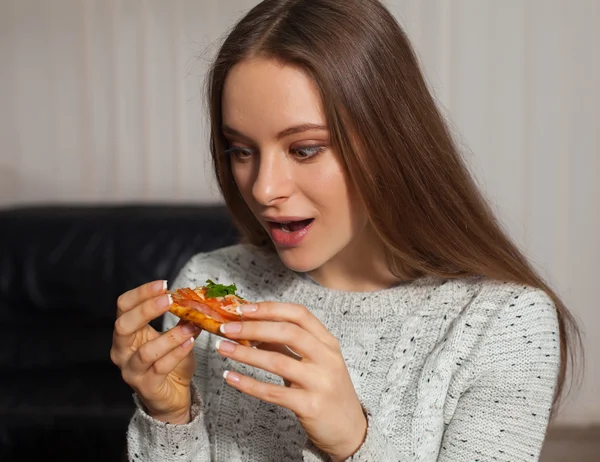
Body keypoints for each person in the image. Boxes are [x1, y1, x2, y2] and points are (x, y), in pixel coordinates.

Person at [110, 0, 581, 460]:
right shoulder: (208, 280)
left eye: (305, 149)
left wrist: (353, 442)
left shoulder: (503, 325)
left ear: (389, 141)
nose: (264, 188)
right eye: (241, 150)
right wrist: (169, 417)